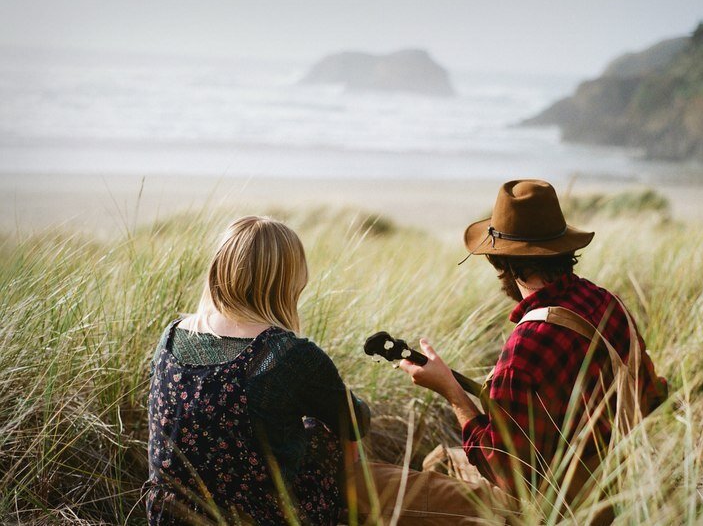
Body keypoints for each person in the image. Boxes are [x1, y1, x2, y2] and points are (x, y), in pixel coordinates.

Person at [145, 215, 509, 525]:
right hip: (259, 516)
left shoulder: (171, 334)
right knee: (328, 443)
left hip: (169, 514)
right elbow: (355, 421)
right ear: (288, 281)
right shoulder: (286, 353)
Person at [401, 180, 668, 522]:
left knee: (423, 475)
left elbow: (508, 476)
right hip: (624, 488)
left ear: (503, 263)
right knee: (441, 459)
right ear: (562, 248)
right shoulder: (608, 302)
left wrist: (452, 392)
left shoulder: (526, 348)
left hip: (560, 512)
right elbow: (652, 392)